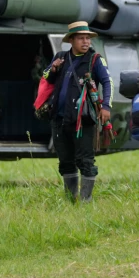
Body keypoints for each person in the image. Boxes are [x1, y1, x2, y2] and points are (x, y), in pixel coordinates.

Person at [43, 21, 112, 202]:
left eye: (88, 38)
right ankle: (70, 199)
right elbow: (44, 78)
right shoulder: (60, 57)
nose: (86, 41)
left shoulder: (96, 60)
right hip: (59, 119)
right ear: (71, 40)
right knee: (65, 161)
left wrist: (106, 107)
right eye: (81, 38)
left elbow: (107, 82)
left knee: (86, 161)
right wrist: (53, 68)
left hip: (84, 120)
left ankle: (85, 201)